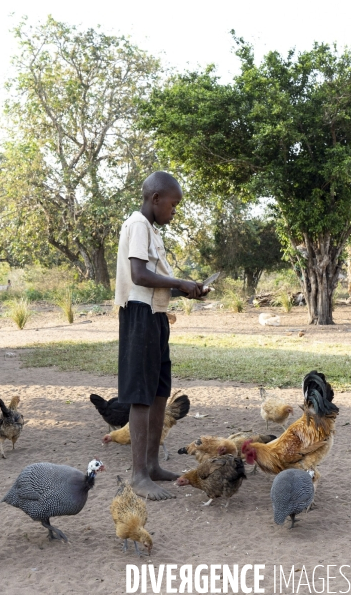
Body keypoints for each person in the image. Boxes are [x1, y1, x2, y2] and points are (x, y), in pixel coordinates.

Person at [115, 171, 205, 501]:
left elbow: (157, 281)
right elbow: (139, 275)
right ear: (156, 199)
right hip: (139, 316)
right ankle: (138, 475)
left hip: (154, 316)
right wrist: (179, 282)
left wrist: (187, 288)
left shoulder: (151, 229)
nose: (174, 210)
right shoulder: (138, 224)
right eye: (173, 204)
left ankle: (152, 466)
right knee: (141, 394)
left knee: (158, 392)